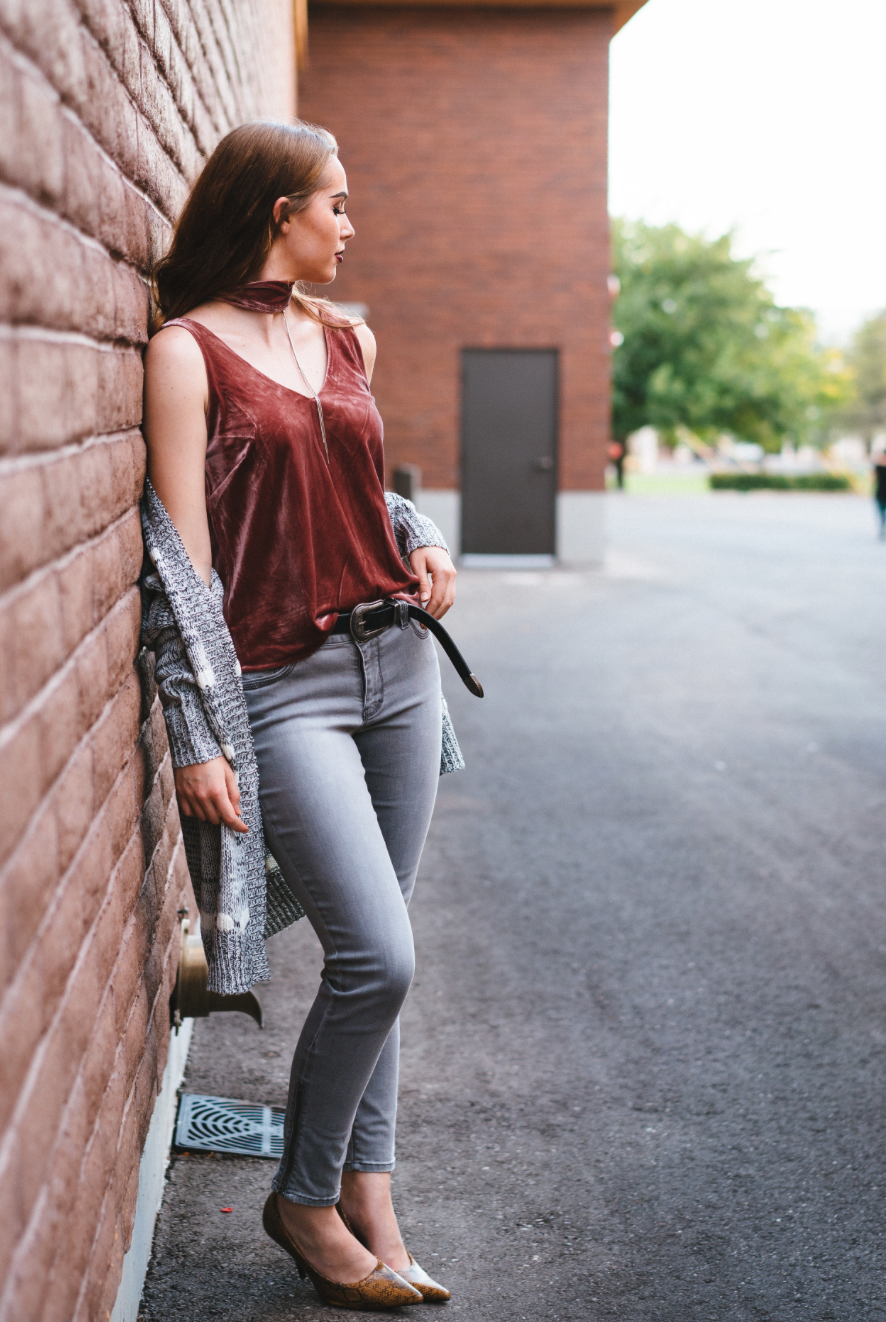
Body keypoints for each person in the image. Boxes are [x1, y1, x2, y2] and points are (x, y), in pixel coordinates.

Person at [142, 120, 464, 1309]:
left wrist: (424, 538)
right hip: (286, 688)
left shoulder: (344, 337)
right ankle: (305, 1197)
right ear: (278, 210)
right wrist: (196, 731)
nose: (350, 222)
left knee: (378, 952)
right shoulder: (188, 354)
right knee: (378, 956)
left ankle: (371, 1189)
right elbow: (180, 557)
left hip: (399, 669)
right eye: (336, 202)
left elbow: (358, 485)